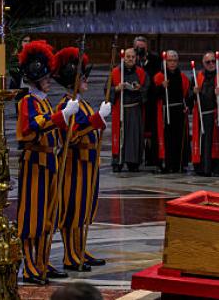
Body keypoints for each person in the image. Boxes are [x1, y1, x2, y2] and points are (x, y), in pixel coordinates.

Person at [15, 41, 78, 284]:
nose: (49, 81)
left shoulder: (43, 101)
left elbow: (54, 127)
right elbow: (29, 128)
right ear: (36, 79)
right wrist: (60, 116)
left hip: (49, 161)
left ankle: (42, 261)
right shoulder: (28, 102)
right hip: (35, 164)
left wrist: (66, 120)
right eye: (45, 78)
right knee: (33, 216)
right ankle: (30, 264)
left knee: (48, 215)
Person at [52, 47, 110, 272]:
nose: (86, 81)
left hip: (88, 165)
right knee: (72, 210)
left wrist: (97, 120)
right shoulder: (66, 106)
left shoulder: (82, 104)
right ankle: (70, 255)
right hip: (73, 165)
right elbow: (71, 136)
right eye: (82, 78)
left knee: (85, 210)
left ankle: (80, 248)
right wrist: (96, 121)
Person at [151, 50, 191, 174]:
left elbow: (187, 96)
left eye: (174, 60)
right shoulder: (159, 77)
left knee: (179, 139)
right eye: (169, 61)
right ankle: (165, 163)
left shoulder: (183, 78)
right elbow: (152, 96)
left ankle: (179, 164)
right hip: (165, 112)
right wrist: (161, 87)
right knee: (166, 139)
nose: (172, 63)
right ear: (165, 62)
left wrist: (187, 106)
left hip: (178, 111)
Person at [109, 48, 147, 172]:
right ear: (123, 58)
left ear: (136, 58)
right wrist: (116, 89)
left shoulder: (141, 73)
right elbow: (107, 90)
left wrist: (139, 88)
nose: (130, 59)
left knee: (134, 136)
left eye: (133, 57)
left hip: (135, 109)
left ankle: (133, 162)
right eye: (128, 57)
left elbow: (147, 89)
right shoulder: (115, 72)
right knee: (119, 135)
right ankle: (117, 161)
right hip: (120, 109)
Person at [131, 36, 162, 169]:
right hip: (135, 99)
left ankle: (152, 157)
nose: (140, 50)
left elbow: (157, 76)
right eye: (137, 48)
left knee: (151, 129)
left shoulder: (155, 59)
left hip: (151, 99)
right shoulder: (131, 59)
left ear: (147, 47)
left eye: (142, 48)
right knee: (136, 129)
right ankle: (135, 158)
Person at [189, 52, 219, 177]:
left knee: (214, 142)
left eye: (213, 61)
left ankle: (215, 167)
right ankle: (202, 167)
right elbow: (189, 98)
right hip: (202, 115)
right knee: (203, 143)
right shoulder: (198, 77)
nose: (211, 64)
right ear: (203, 64)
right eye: (208, 62)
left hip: (215, 114)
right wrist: (194, 91)